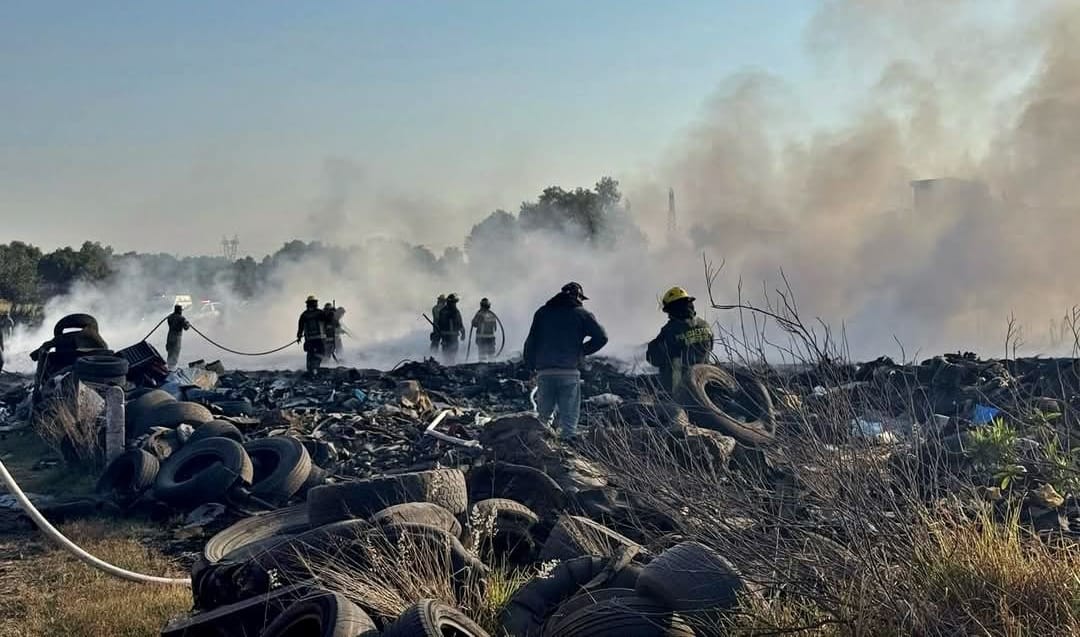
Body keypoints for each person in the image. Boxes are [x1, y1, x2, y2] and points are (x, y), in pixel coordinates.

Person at [523, 282, 608, 440]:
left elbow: (531, 341)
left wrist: (530, 367)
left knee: (543, 417)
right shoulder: (582, 314)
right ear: (578, 297)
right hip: (569, 372)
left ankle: (540, 446)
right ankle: (567, 447)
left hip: (545, 373)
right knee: (569, 420)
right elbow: (602, 337)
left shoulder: (542, 312)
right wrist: (582, 351)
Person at [646, 287, 714, 394]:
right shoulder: (705, 326)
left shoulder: (670, 330)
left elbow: (653, 358)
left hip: (677, 392)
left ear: (673, 309)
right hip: (703, 389)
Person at [296, 295, 329, 377]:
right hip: (319, 338)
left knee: (310, 354)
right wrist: (331, 313)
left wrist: (299, 336)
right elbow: (328, 321)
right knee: (320, 353)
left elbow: (300, 327)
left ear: (307, 304)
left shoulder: (304, 315)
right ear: (315, 303)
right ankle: (315, 368)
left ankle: (310, 369)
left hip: (309, 339)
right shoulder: (320, 313)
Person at [436, 293, 465, 364]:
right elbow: (460, 324)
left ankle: (447, 366)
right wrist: (463, 333)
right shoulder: (455, 311)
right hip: (452, 338)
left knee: (446, 355)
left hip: (445, 338)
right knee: (452, 355)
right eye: (454, 302)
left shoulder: (442, 311)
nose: (455, 304)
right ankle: (450, 366)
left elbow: (439, 324)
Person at [165, 305, 190, 369]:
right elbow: (186, 328)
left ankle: (168, 367)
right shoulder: (181, 318)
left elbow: (169, 323)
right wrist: (188, 324)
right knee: (175, 353)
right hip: (176, 338)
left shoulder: (170, 317)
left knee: (170, 353)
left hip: (169, 336)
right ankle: (172, 368)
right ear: (180, 311)